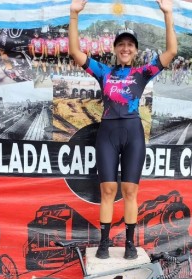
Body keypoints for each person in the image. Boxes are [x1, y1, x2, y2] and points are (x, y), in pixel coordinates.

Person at [68, 0, 177, 259]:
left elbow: (172, 51)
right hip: (107, 134)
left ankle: (129, 243)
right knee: (107, 190)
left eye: (130, 44)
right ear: (116, 49)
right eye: (121, 44)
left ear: (135, 50)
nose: (125, 48)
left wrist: (168, 13)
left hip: (133, 134)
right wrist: (73, 15)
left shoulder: (142, 73)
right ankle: (104, 243)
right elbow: (74, 51)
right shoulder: (104, 72)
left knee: (130, 191)